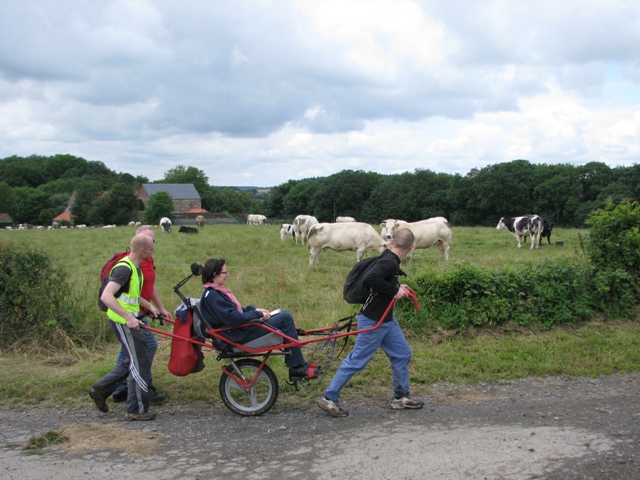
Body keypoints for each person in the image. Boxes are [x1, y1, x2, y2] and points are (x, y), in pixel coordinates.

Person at [317, 228, 424, 417]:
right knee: (357, 360)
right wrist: (393, 291)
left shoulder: (389, 259)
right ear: (412, 246)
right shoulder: (389, 262)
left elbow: (380, 281)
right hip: (375, 319)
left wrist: (397, 287)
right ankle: (329, 397)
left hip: (387, 320)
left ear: (392, 242)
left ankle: (401, 397)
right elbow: (371, 278)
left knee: (402, 354)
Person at [199, 258, 319, 381]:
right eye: (225, 273)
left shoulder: (213, 293)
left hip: (239, 332)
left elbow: (236, 312)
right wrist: (257, 314)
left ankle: (297, 364)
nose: (228, 275)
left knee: (282, 316)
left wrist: (256, 310)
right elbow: (234, 318)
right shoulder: (213, 296)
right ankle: (296, 367)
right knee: (285, 318)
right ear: (214, 274)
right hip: (239, 335)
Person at [89, 233, 159, 421]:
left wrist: (149, 305)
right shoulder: (124, 269)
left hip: (130, 319)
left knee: (131, 361)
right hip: (123, 322)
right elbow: (107, 296)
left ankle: (100, 389)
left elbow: (130, 295)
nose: (153, 252)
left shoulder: (135, 268)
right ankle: (135, 410)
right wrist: (128, 317)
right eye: (151, 249)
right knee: (139, 363)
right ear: (143, 250)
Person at [111, 225, 171, 404]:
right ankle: (140, 386)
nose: (152, 247)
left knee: (129, 351)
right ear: (141, 246)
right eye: (149, 243)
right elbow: (110, 295)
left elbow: (149, 286)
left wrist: (158, 307)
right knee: (146, 348)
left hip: (139, 311)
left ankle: (119, 387)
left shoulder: (147, 261)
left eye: (153, 241)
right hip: (128, 316)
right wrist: (129, 317)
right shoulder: (129, 264)